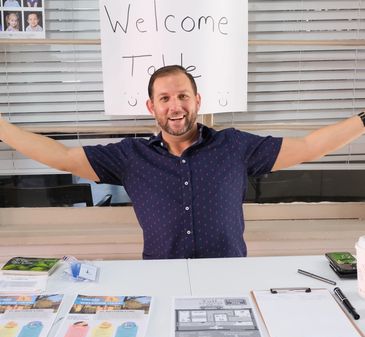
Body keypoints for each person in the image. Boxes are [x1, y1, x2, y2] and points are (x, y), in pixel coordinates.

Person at [0, 65, 364, 260]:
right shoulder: (130, 156)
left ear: (197, 100)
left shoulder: (234, 146)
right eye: (165, 98)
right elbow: (61, 156)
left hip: (229, 276)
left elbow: (308, 146)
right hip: (161, 279)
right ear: (152, 107)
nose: (175, 106)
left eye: (182, 96)